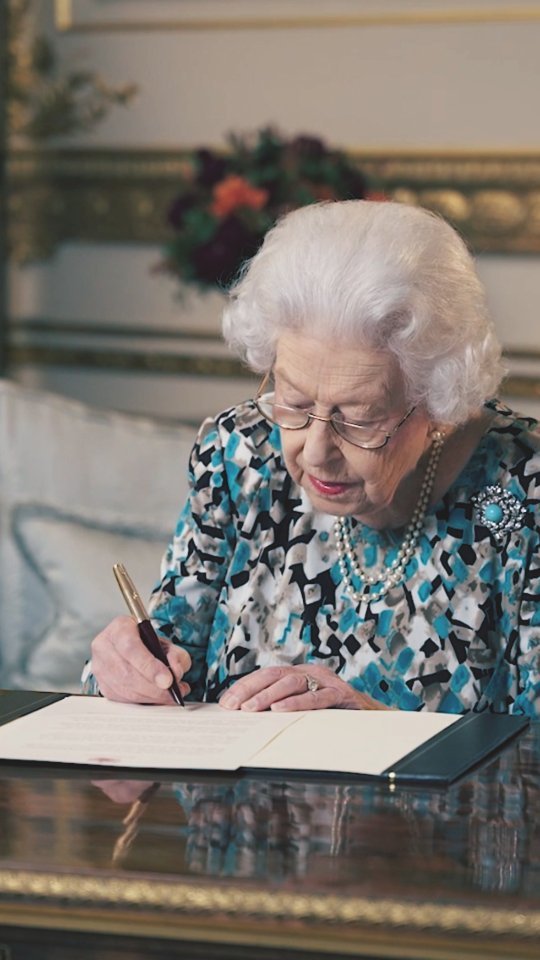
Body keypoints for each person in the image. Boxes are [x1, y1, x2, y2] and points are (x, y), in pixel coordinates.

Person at [87, 200, 539, 714]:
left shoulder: (523, 489)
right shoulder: (240, 455)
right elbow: (167, 664)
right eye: (295, 403)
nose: (317, 452)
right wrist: (123, 671)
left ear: (439, 404)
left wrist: (373, 726)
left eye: (360, 419)